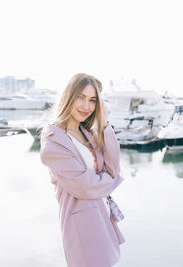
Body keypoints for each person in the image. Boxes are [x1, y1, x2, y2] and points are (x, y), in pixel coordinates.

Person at [39, 73, 125, 267]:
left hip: (102, 218)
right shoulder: (54, 141)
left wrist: (103, 123)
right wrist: (109, 182)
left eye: (92, 100)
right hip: (82, 225)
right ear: (69, 96)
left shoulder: (88, 134)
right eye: (80, 97)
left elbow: (113, 168)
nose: (86, 106)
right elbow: (84, 186)